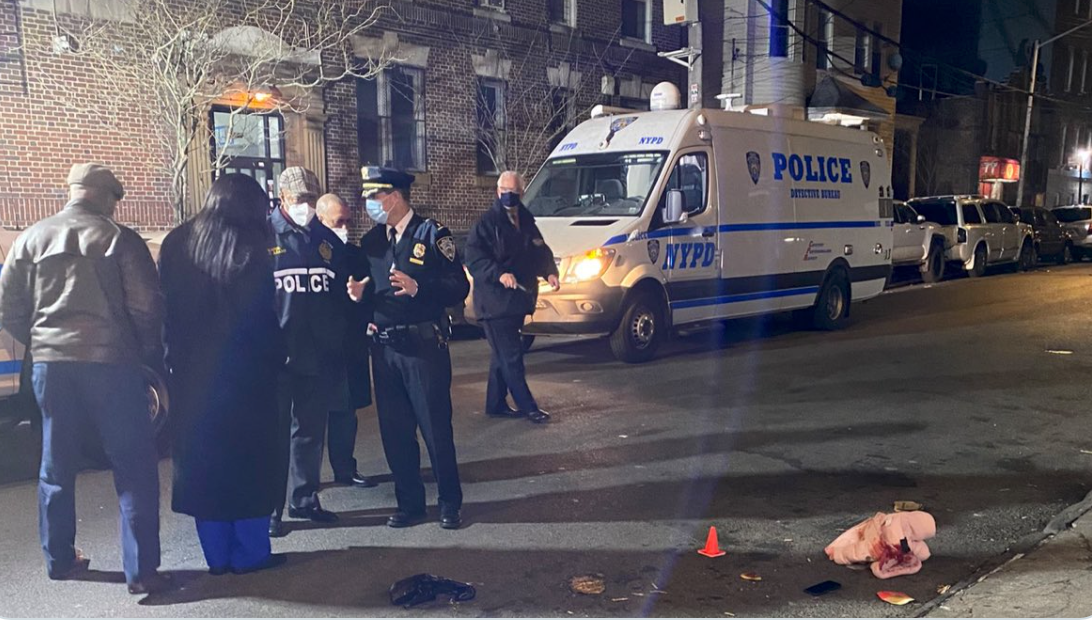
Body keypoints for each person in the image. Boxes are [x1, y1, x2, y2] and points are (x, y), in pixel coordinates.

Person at [0, 163, 168, 594]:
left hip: (51, 367)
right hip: (112, 365)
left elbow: (8, 308)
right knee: (133, 465)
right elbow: (147, 307)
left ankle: (59, 558)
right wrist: (142, 351)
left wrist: (43, 342)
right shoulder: (119, 239)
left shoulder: (30, 238)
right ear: (108, 198)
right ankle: (141, 570)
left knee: (55, 464)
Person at [158, 174, 287, 575]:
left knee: (204, 468)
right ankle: (251, 554)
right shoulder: (255, 249)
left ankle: (216, 557)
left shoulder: (177, 243)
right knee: (251, 466)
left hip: (193, 378)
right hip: (248, 380)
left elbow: (167, 312)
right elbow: (266, 319)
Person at [347, 166, 469, 530]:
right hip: (384, 351)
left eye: (374, 197)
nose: (369, 204)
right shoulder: (372, 242)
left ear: (395, 197)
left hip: (423, 348)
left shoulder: (432, 235)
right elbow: (372, 290)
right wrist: (359, 297)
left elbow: (458, 287)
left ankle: (449, 502)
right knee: (396, 433)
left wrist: (420, 288)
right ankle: (410, 503)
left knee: (435, 429)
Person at [268, 167, 349, 537]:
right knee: (273, 435)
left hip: (316, 353)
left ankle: (304, 499)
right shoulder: (264, 237)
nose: (306, 206)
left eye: (311, 200)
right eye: (299, 199)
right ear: (282, 197)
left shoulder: (325, 240)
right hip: (277, 355)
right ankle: (270, 508)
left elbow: (338, 295)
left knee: (310, 431)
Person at [464, 171, 559, 424]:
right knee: (511, 356)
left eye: (514, 192)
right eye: (505, 191)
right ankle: (528, 406)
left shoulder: (526, 220)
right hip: (496, 303)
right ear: (497, 191)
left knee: (502, 356)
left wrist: (549, 271)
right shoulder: (486, 224)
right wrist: (499, 273)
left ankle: (495, 403)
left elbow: (539, 250)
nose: (509, 196)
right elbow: (474, 258)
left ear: (521, 193)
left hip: (517, 300)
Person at [315, 193, 374, 488]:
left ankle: (345, 469)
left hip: (348, 342)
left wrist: (363, 297)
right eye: (340, 221)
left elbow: (368, 291)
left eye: (348, 221)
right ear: (322, 219)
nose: (345, 227)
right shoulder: (309, 250)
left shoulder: (354, 254)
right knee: (310, 418)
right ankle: (305, 481)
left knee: (345, 413)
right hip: (316, 346)